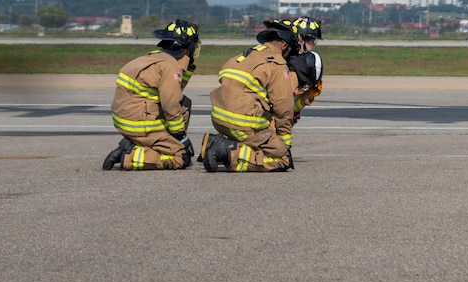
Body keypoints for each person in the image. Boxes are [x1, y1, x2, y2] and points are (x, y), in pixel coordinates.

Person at [201, 21, 299, 172]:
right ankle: (226, 152)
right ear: (284, 46)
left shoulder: (242, 57)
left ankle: (219, 144)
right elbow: (283, 107)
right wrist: (285, 142)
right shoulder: (276, 63)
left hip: (219, 121)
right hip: (243, 124)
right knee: (282, 159)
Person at [102, 18, 199, 170]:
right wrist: (181, 138)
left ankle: (135, 143)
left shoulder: (152, 58)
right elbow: (171, 105)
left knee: (185, 103)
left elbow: (176, 91)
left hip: (126, 121)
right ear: (187, 48)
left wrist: (187, 68)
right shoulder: (170, 66)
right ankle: (131, 155)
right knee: (182, 158)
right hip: (141, 126)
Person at [277, 15, 325, 151]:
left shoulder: (296, 60)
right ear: (301, 39)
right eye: (312, 42)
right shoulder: (290, 63)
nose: (313, 46)